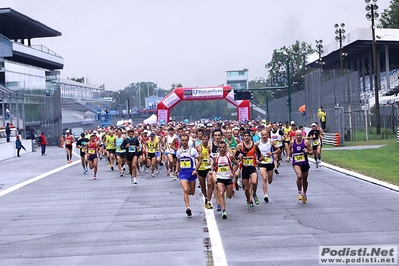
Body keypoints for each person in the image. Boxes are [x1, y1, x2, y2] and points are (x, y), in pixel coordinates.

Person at [211, 141, 239, 219]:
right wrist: (212, 170)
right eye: (220, 147)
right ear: (218, 148)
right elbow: (214, 166)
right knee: (221, 192)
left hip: (228, 178)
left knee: (229, 196)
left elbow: (237, 164)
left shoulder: (229, 156)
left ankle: (230, 192)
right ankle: (223, 210)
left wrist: (232, 172)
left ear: (226, 148)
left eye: (223, 147)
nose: (222, 149)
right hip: (220, 177)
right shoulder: (216, 157)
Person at [176, 134, 200, 217]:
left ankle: (190, 188)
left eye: (185, 140)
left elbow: (199, 160)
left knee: (192, 192)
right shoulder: (178, 152)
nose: (184, 142)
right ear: (180, 141)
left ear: (188, 141)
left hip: (191, 172)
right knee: (185, 190)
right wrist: (176, 170)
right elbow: (178, 162)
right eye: (182, 140)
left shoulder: (193, 150)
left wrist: (196, 170)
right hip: (183, 173)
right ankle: (188, 208)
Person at [286, 129, 313, 203]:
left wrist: (307, 151)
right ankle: (299, 191)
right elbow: (289, 149)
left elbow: (311, 152)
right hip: (296, 162)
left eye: (300, 135)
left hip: (304, 163)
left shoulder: (306, 142)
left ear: (302, 136)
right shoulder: (292, 142)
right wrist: (288, 156)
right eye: (297, 135)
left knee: (304, 180)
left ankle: (304, 193)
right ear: (295, 136)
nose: (298, 137)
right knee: (299, 176)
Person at [258, 129, 280, 203]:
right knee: (264, 178)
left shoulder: (271, 142)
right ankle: (265, 195)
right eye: (263, 135)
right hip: (262, 163)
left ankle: (266, 191)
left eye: (265, 135)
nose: (264, 136)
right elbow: (253, 150)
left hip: (270, 163)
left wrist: (272, 153)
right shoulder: (257, 143)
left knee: (269, 180)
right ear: (261, 135)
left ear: (268, 135)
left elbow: (278, 150)